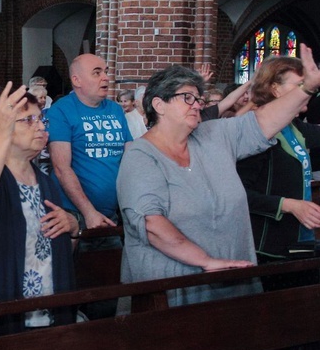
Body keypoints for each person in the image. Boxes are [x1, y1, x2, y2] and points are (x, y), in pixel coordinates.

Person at [117, 44, 320, 308]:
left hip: (233, 279)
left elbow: (265, 121)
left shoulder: (213, 135)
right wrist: (205, 261)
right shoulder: (140, 156)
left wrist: (307, 88)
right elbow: (152, 225)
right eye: (187, 97)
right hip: (170, 289)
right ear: (159, 105)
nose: (197, 104)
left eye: (198, 98)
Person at [0, 84, 78, 341]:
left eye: (41, 118)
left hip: (48, 320)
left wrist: (74, 225)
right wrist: (3, 134)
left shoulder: (46, 183)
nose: (41, 126)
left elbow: (55, 250)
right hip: (0, 324)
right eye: (28, 120)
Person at [237, 57, 320, 264]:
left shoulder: (294, 126)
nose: (307, 91)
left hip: (299, 239)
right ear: (275, 89)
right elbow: (238, 194)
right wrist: (288, 205)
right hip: (267, 246)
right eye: (300, 85)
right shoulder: (255, 131)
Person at [46, 54, 132, 241]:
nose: (106, 77)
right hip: (73, 213)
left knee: (106, 268)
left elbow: (131, 156)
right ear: (76, 80)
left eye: (106, 72)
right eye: (97, 72)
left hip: (111, 214)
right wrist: (88, 212)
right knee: (75, 268)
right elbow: (61, 168)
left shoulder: (115, 109)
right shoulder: (61, 111)